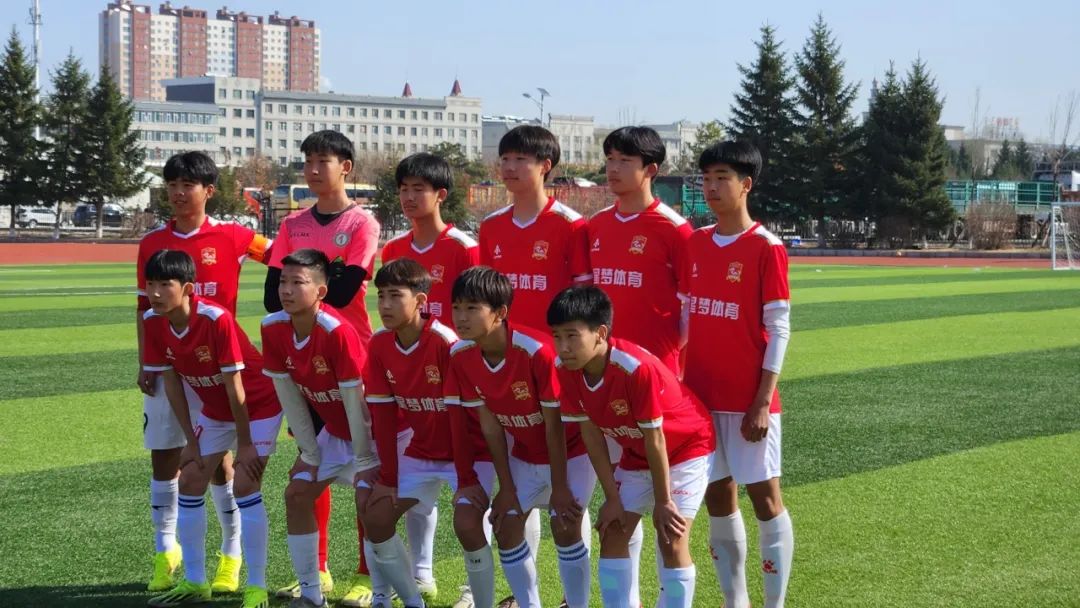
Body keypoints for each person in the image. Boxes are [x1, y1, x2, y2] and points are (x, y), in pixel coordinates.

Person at [265, 131, 435, 608]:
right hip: (306, 361)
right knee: (309, 462)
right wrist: (324, 275)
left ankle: (366, 576)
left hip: (352, 356)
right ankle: (316, 571)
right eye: (308, 161)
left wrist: (319, 282)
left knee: (367, 470)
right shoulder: (293, 223)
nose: (313, 170)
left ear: (346, 168)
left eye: (324, 161)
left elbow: (342, 293)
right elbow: (273, 294)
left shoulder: (362, 222)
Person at [136, 151, 272, 595]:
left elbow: (284, 257)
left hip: (220, 366)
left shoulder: (236, 236)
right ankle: (165, 551)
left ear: (208, 191)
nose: (178, 193)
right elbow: (142, 306)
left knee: (217, 464)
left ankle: (230, 557)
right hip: (169, 361)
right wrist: (146, 362)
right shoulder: (151, 243)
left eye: (187, 185)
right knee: (165, 455)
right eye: (172, 184)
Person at [549, 286, 714, 608]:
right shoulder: (564, 369)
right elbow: (592, 436)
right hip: (638, 454)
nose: (563, 347)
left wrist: (663, 501)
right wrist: (612, 498)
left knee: (671, 538)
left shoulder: (635, 368)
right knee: (612, 531)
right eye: (557, 336)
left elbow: (656, 438)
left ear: (600, 333)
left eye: (572, 336)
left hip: (686, 448)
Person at [680, 141, 794, 608]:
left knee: (766, 499)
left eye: (721, 178)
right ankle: (735, 602)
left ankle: (774, 604)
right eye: (705, 178)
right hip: (701, 400)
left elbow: (779, 327)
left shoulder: (766, 247)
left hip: (749, 401)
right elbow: (686, 318)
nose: (711, 187)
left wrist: (762, 401)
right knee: (717, 498)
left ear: (746, 184)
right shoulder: (695, 243)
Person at [446, 266, 596, 608]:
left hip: (572, 452)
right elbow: (490, 428)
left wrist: (559, 487)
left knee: (565, 525)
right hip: (524, 455)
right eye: (456, 307)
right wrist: (507, 488)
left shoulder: (536, 352)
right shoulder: (461, 355)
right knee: (506, 525)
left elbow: (554, 427)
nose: (461, 317)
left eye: (472, 308)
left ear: (500, 313)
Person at [142, 250, 282, 608]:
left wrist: (245, 444)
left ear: (188, 288)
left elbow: (236, 388)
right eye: (150, 284)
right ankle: (195, 581)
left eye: (165, 285)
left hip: (258, 405)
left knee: (245, 483)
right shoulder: (153, 321)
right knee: (190, 479)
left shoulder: (215, 319)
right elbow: (173, 384)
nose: (155, 292)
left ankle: (256, 586)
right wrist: (191, 441)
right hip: (215, 411)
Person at [360, 258, 494, 608]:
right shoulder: (379, 344)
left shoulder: (446, 342)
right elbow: (383, 417)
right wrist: (388, 478)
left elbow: (461, 418)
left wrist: (466, 477)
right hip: (422, 452)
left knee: (468, 523)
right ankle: (412, 601)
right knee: (376, 517)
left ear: (420, 301)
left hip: (472, 454)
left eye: (395, 296)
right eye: (381, 296)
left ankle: (476, 599)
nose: (385, 305)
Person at [260, 249, 379, 608]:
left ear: (321, 292)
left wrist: (365, 460)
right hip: (335, 432)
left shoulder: (336, 331)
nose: (286, 290)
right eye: (283, 281)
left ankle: (374, 582)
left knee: (370, 501)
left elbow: (356, 402)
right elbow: (289, 396)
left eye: (298, 282)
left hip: (371, 432)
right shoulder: (272, 327)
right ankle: (312, 593)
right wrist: (310, 454)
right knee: (296, 493)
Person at [589, 126, 691, 374]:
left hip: (655, 363)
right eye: (610, 159)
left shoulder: (676, 229)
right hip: (602, 360)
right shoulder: (596, 224)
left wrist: (670, 347)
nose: (613, 168)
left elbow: (691, 304)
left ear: (651, 169)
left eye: (625, 160)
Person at [478, 125, 591, 331]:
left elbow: (583, 293)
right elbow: (485, 290)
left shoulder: (571, 225)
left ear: (545, 166)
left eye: (520, 159)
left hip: (552, 342)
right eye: (505, 159)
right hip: (503, 341)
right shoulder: (490, 225)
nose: (509, 167)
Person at [381, 152, 479, 322]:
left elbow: (478, 310)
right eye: (404, 189)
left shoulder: (465, 248)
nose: (409, 197)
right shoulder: (392, 248)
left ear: (441, 195)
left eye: (418, 189)